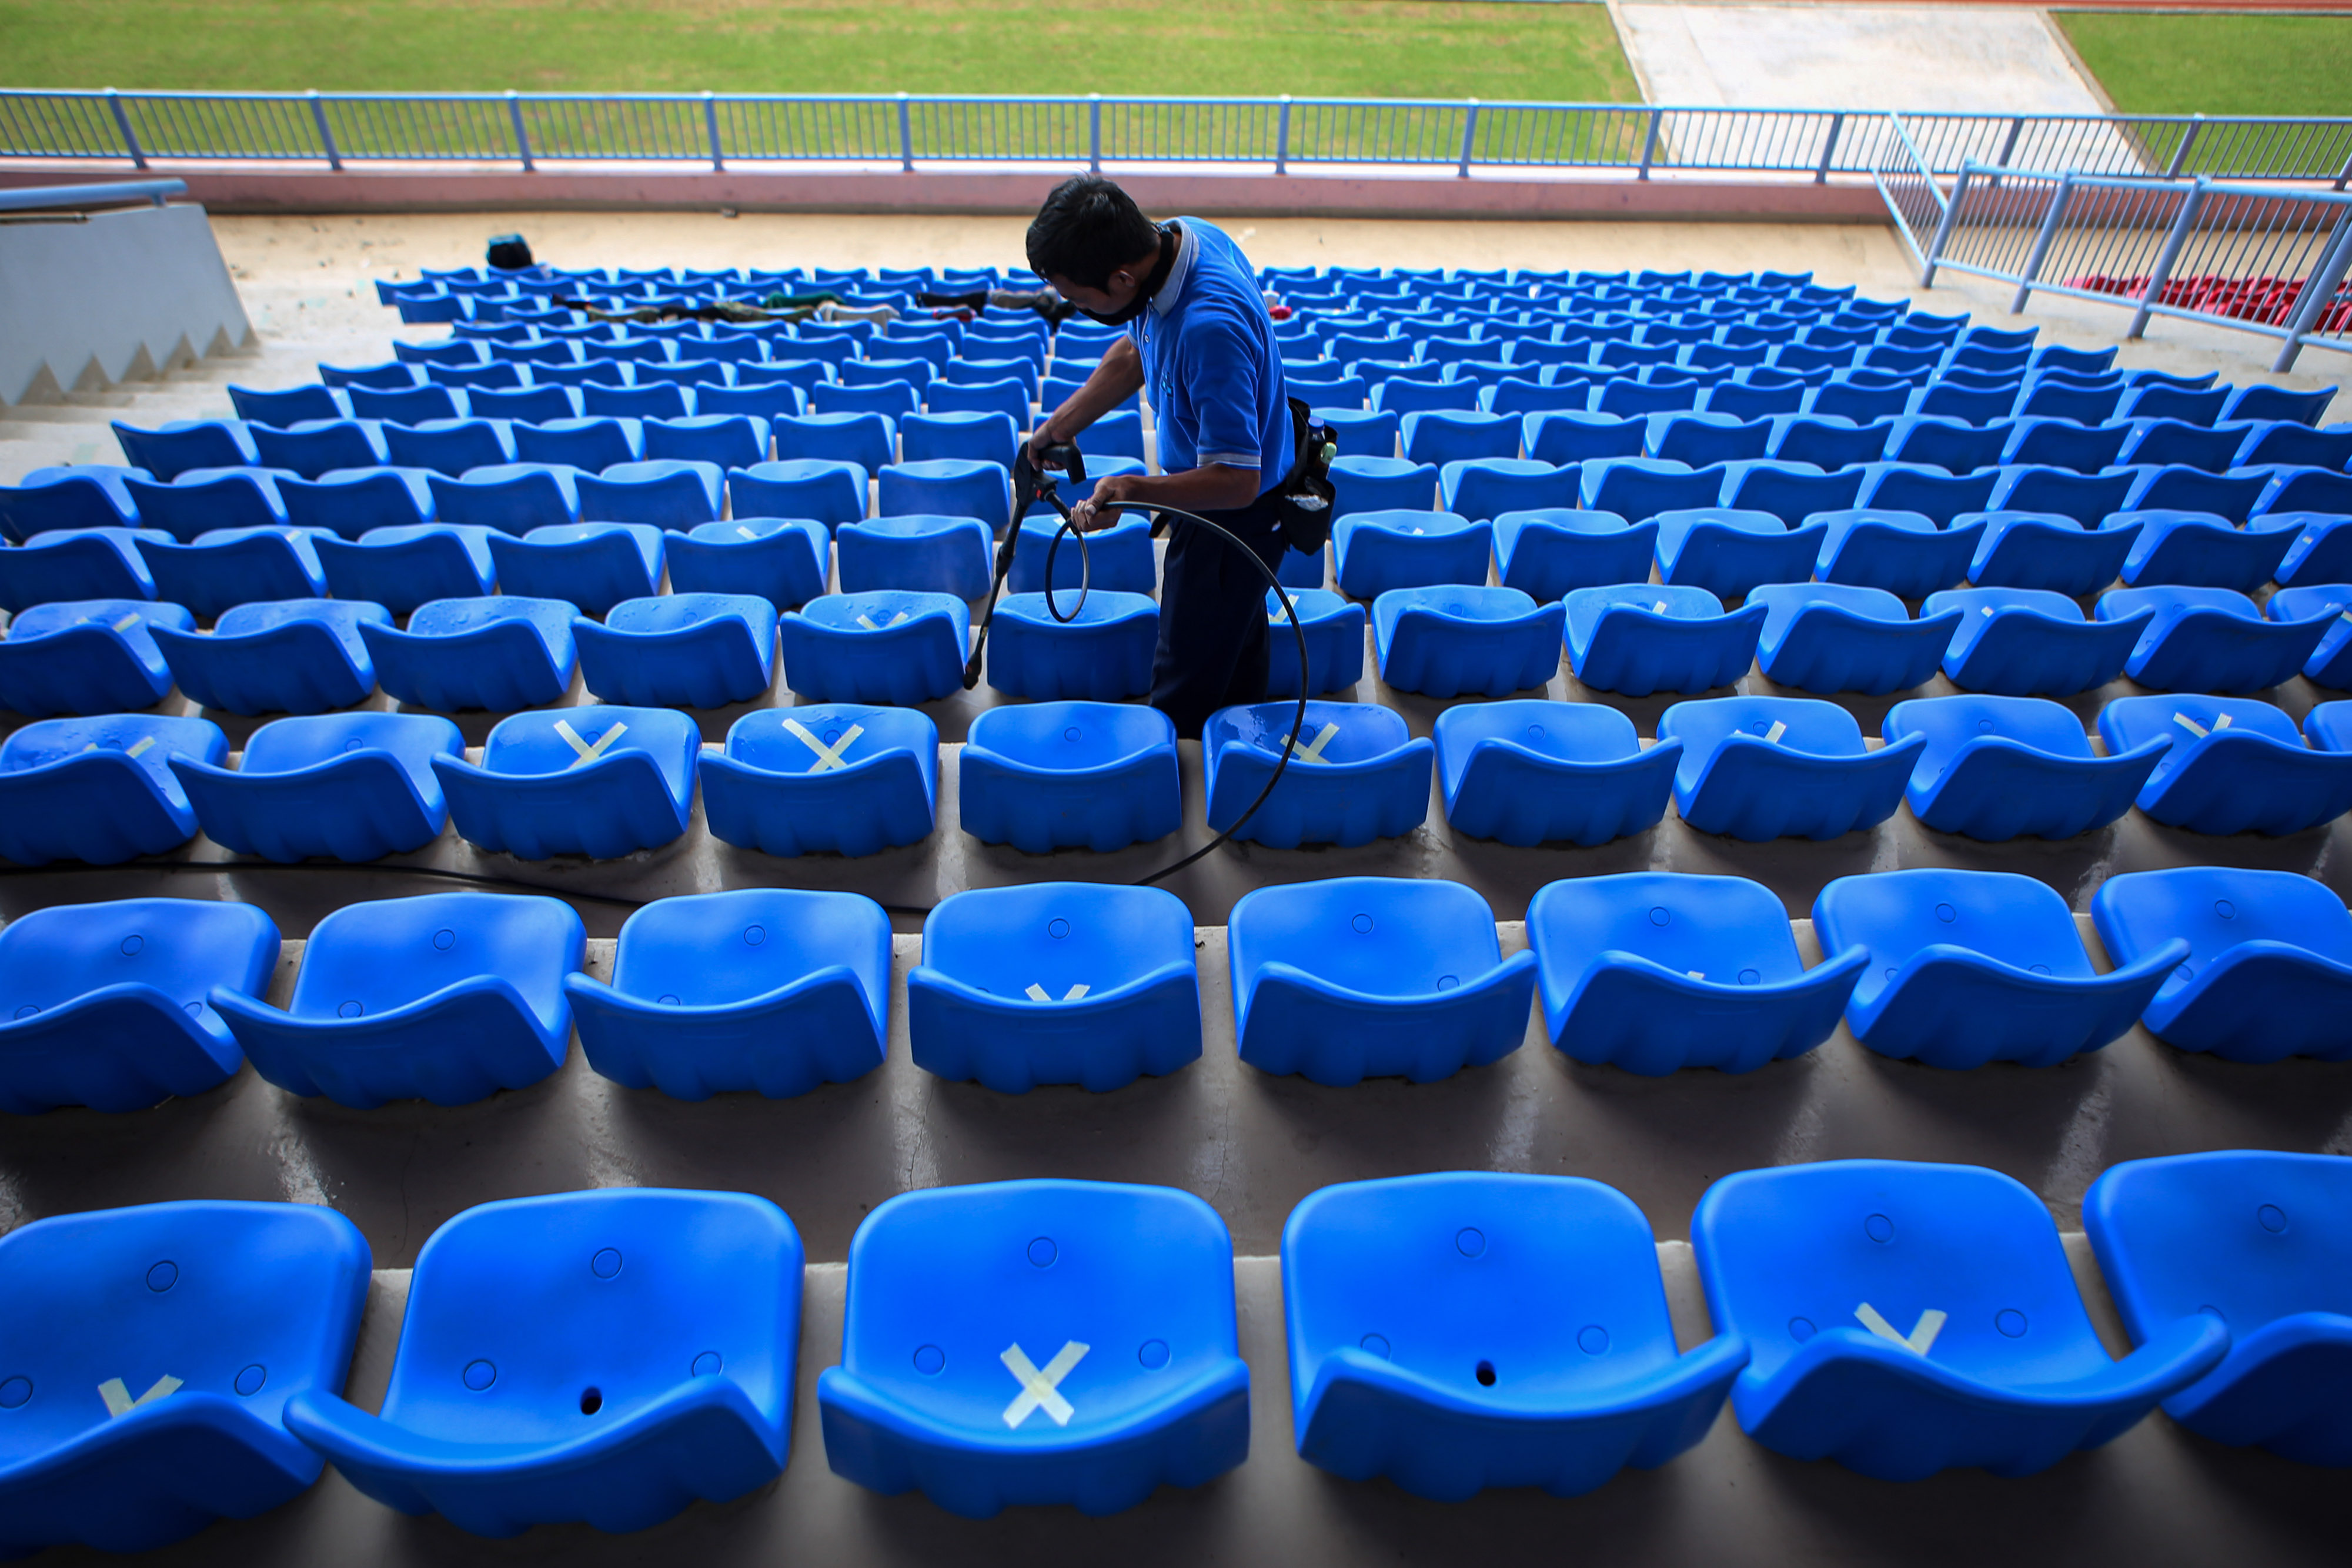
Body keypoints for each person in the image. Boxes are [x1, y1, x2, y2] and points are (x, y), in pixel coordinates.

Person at [1022, 176, 1295, 738]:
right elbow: (1134, 353)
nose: (1078, 309)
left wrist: (1130, 489)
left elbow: (1237, 479)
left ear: (1121, 278)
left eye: (1079, 298)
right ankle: (1239, 756)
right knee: (1236, 649)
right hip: (1233, 506)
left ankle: (1172, 793)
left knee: (1183, 690)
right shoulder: (1183, 240)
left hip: (1232, 520)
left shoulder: (1206, 327)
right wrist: (1055, 429)